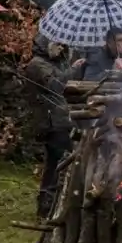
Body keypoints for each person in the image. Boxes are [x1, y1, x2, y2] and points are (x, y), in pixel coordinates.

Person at [25, 35, 82, 219]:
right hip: (51, 123)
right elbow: (56, 85)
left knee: (56, 163)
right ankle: (47, 205)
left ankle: (49, 205)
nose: (60, 47)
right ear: (45, 45)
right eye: (56, 44)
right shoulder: (37, 64)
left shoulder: (54, 63)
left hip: (60, 120)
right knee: (56, 164)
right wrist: (74, 68)